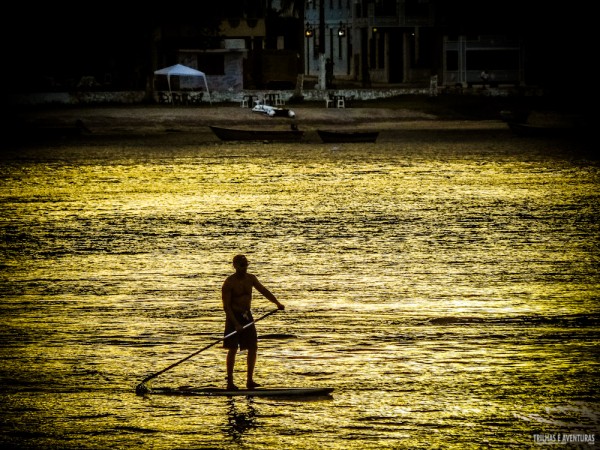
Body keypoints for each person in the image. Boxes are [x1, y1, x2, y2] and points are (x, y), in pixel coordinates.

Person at [222, 254, 284, 390]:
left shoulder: (251, 278)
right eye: (241, 266)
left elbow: (263, 291)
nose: (244, 269)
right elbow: (226, 307)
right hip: (233, 317)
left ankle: (249, 380)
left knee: (253, 347)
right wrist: (236, 324)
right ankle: (230, 383)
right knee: (232, 349)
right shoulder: (229, 282)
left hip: (246, 316)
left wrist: (277, 303)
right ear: (235, 266)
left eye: (246, 266)